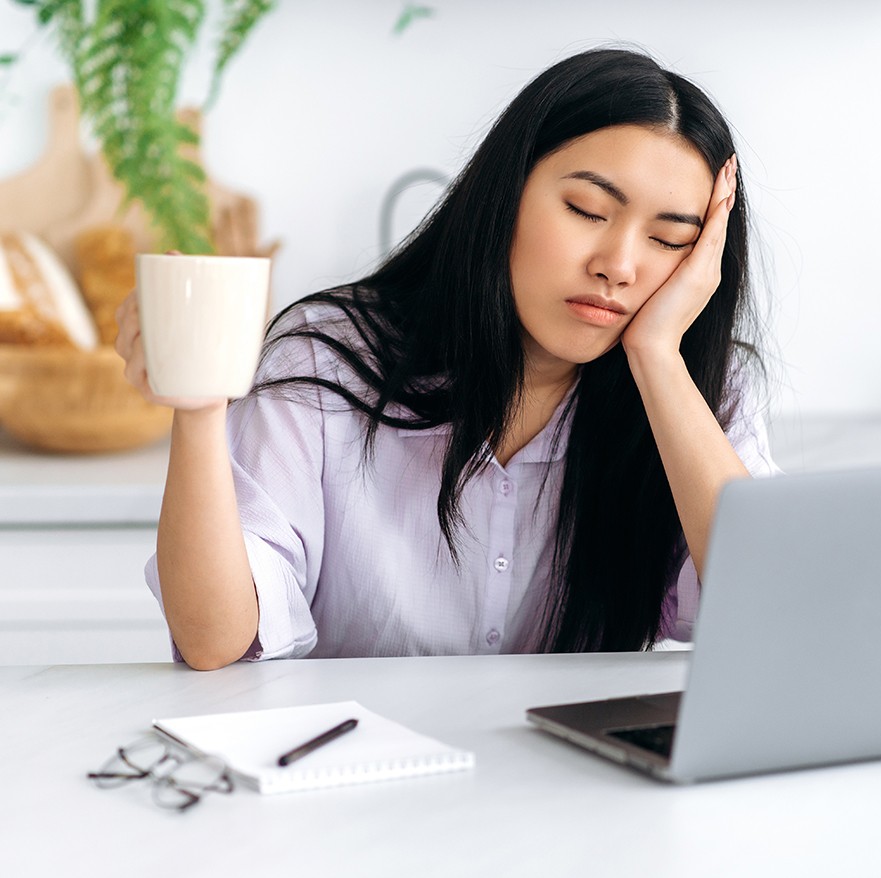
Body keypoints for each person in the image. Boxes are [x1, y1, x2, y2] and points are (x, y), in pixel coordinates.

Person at [115, 47, 781, 670]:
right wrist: (200, 409)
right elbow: (215, 643)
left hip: (575, 788)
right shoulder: (330, 361)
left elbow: (767, 615)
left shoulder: (704, 393)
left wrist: (659, 358)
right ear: (504, 194)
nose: (620, 266)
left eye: (669, 239)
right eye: (586, 209)